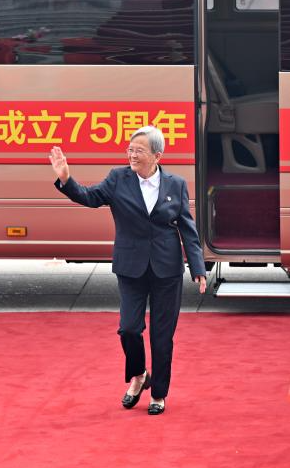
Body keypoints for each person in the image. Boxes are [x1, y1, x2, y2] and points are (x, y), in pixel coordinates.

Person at [49, 126, 206, 415]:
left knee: (162, 335)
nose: (132, 155)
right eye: (130, 150)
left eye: (139, 151)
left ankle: (158, 393)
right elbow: (89, 196)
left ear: (157, 155)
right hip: (131, 266)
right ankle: (138, 375)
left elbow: (187, 226)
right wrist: (66, 179)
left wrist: (198, 268)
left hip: (166, 269)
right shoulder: (117, 179)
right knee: (129, 329)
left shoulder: (176, 184)